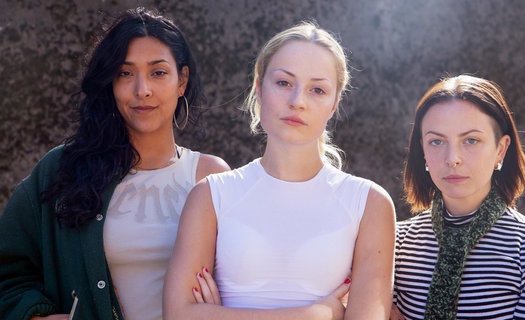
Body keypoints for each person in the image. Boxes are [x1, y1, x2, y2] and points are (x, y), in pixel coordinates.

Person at [0, 7, 229, 320]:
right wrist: (34, 315)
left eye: (158, 73)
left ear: (182, 81)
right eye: (125, 73)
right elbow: (7, 271)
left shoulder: (213, 176)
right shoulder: (62, 171)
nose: (142, 90)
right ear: (110, 82)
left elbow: (248, 282)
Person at [163, 21, 396, 319]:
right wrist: (315, 314)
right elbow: (178, 315)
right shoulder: (211, 195)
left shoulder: (369, 203)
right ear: (259, 88)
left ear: (334, 104)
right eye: (284, 83)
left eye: (317, 90)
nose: (297, 101)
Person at [390, 75, 525, 320]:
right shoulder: (393, 244)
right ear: (422, 151)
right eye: (436, 141)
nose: (452, 158)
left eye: (471, 140)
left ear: (501, 150)